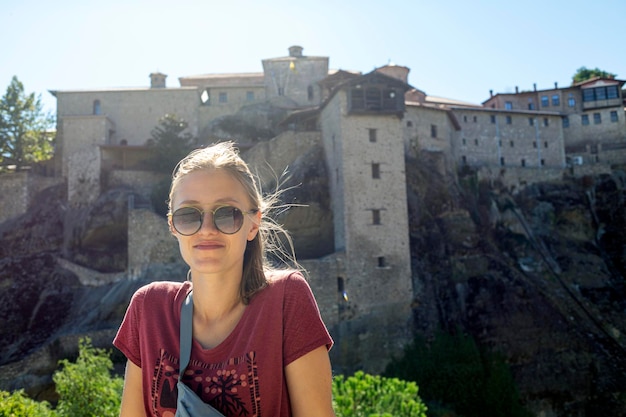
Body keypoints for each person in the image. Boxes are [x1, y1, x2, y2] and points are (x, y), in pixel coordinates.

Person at [113, 142, 335, 417]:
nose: (206, 229)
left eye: (227, 214)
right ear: (172, 226)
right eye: (188, 215)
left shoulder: (285, 299)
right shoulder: (149, 308)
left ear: (253, 224)